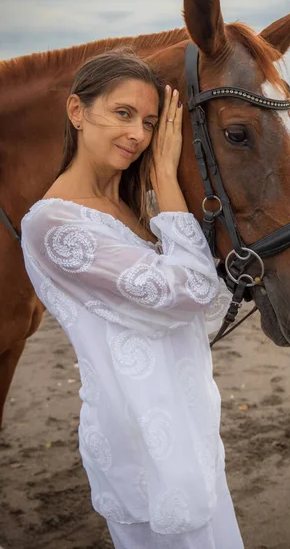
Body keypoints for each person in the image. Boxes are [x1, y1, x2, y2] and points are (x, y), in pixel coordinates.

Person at [20, 49, 244, 549]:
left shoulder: (126, 211)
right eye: (123, 114)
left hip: (188, 424)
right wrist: (166, 177)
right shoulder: (54, 225)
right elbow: (190, 291)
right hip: (142, 438)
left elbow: (193, 315)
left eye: (148, 122)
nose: (139, 136)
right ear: (77, 112)